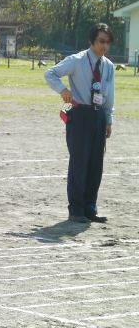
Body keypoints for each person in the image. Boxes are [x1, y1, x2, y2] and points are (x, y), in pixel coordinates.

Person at [44, 23, 115, 224]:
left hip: (99, 116)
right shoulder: (77, 61)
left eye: (108, 42)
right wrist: (62, 90)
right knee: (79, 163)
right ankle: (76, 209)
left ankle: (90, 207)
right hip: (81, 115)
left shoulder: (108, 66)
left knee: (95, 164)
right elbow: (50, 73)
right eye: (101, 41)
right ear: (91, 40)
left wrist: (108, 120)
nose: (105, 46)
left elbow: (110, 94)